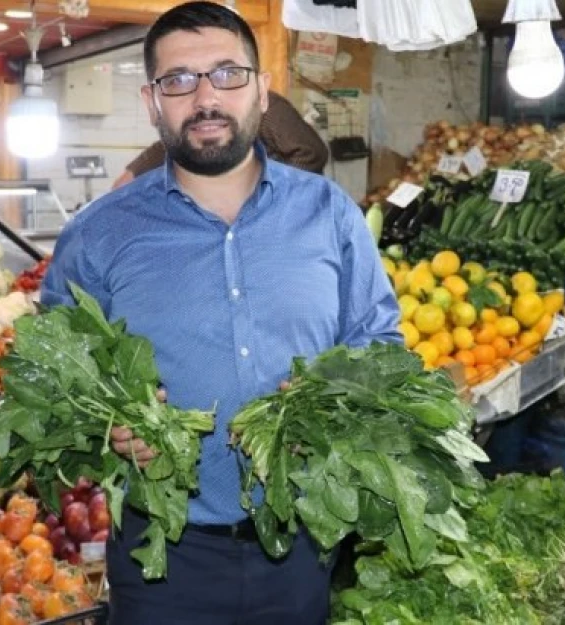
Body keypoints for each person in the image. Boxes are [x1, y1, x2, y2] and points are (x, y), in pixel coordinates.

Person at [40, 3, 399, 623]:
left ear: (263, 90)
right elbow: (49, 377)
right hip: (161, 562)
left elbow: (381, 345)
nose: (206, 97)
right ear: (152, 102)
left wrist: (337, 399)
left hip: (303, 546)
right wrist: (105, 430)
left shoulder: (329, 214)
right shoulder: (99, 235)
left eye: (228, 74)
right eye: (179, 80)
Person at [113, 89, 327, 188]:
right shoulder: (198, 105)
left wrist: (274, 192)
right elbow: (181, 140)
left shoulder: (262, 106)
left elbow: (310, 153)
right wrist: (135, 171)